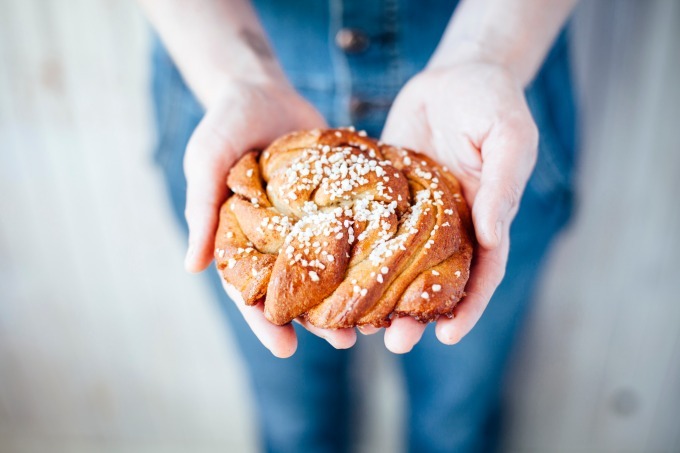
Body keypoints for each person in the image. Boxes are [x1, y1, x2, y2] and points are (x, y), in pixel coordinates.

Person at [139, 0, 578, 451]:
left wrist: (488, 53)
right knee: (295, 423)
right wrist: (239, 78)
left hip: (493, 77)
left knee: (455, 418)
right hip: (222, 64)